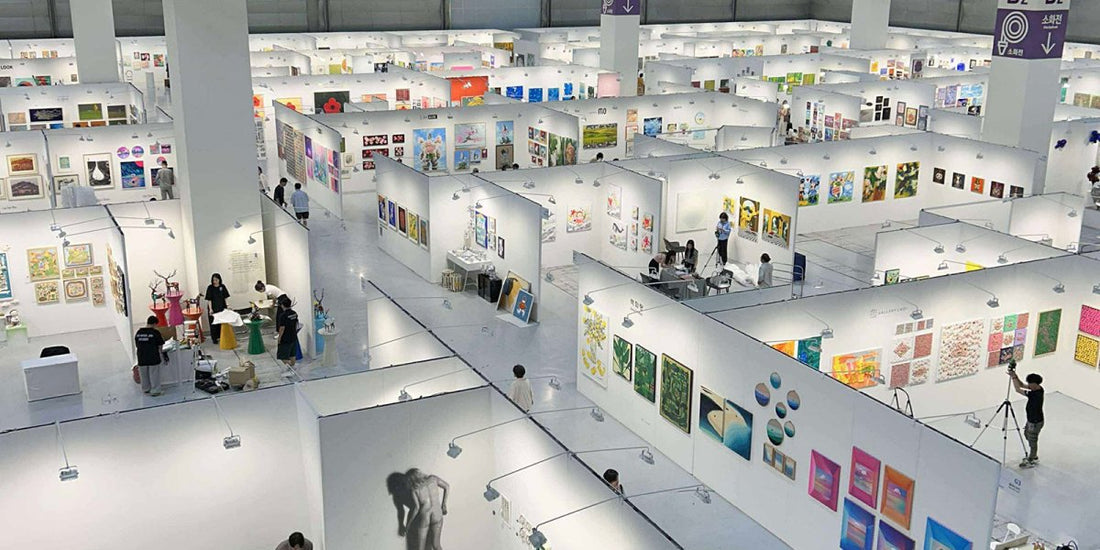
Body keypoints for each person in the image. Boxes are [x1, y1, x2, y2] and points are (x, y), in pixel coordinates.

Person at [387, 469, 449, 550]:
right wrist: (444, 504)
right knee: (436, 545)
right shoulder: (433, 479)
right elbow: (447, 486)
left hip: (425, 517)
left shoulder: (415, 490)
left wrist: (407, 525)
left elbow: (416, 509)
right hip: (437, 514)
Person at [1009, 365, 1044, 468]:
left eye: (1030, 384)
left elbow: (1017, 389)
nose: (1028, 385)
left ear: (1035, 384)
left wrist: (1013, 377)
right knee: (1027, 435)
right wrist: (1015, 376)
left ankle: (1032, 458)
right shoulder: (1038, 388)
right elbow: (1021, 385)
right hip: (1031, 420)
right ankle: (1033, 455)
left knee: (1032, 440)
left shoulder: (1035, 394)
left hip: (1035, 421)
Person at [135, 315, 165, 397]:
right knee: (154, 374)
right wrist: (161, 353)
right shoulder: (155, 333)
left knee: (143, 374)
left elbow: (137, 345)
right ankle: (155, 390)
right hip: (153, 356)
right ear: (155, 324)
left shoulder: (139, 332)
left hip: (141, 356)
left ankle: (146, 389)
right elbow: (160, 345)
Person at [204, 273, 230, 345]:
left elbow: (225, 297)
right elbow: (209, 299)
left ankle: (221, 336)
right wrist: (210, 309)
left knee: (221, 323)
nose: (215, 281)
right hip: (213, 308)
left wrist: (228, 305)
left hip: (221, 307)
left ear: (219, 280)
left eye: (216, 280)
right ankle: (214, 338)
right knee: (213, 324)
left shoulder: (222, 287)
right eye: (213, 280)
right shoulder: (210, 288)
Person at [276, 295, 300, 367]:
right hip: (293, 336)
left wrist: (279, 338)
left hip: (285, 338)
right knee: (292, 354)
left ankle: (290, 367)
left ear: (283, 305)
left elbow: (282, 328)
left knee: (282, 356)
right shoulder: (294, 313)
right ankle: (292, 366)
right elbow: (296, 324)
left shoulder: (283, 315)